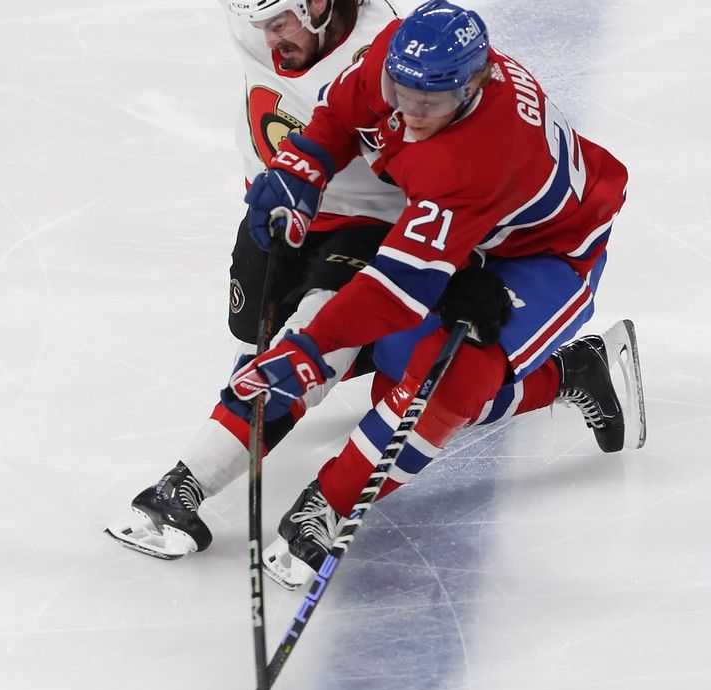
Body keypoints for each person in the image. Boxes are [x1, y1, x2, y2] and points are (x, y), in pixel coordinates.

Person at [104, 0, 642, 564]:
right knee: (371, 349)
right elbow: (340, 115)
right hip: (469, 228)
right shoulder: (400, 57)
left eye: (427, 104)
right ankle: (192, 478)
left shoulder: (475, 156)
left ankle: (332, 502)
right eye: (398, 94)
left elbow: (395, 288)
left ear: (474, 86)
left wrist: (310, 350)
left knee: (448, 379)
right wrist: (301, 169)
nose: (405, 114)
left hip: (548, 251)